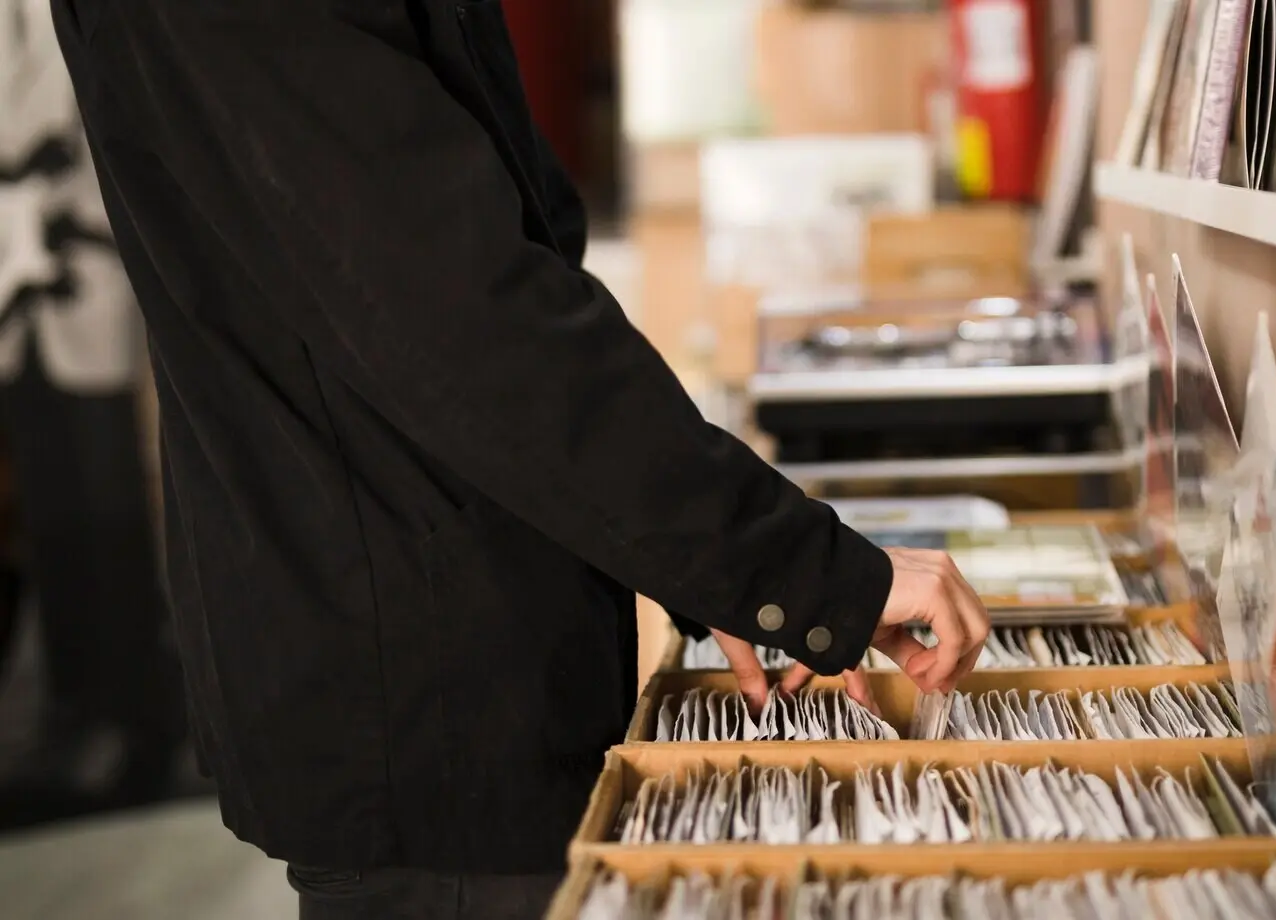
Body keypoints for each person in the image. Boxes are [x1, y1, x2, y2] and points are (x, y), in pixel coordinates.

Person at [51, 2, 991, 918]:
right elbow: (467, 322)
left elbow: (513, 250)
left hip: (458, 662)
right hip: (427, 704)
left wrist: (702, 558)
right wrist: (791, 568)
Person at [0, 0, 184, 828]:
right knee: (51, 505)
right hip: (12, 287)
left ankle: (136, 720)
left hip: (84, 259)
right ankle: (72, 709)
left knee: (114, 503)